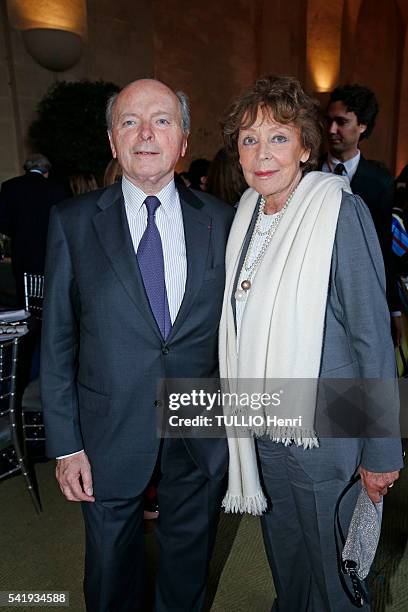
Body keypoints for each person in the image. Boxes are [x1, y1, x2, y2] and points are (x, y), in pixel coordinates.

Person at [41, 78, 234, 612]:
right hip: (106, 433)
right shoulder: (73, 222)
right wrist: (65, 444)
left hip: (197, 425)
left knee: (187, 567)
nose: (146, 133)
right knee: (108, 573)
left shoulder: (221, 222)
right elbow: (57, 341)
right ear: (112, 140)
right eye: (130, 121)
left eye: (162, 121)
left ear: (183, 141)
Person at [219, 75, 403, 611]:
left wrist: (382, 448)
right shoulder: (247, 217)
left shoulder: (337, 213)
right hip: (266, 422)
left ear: (305, 144)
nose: (262, 152)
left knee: (334, 572)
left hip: (330, 431)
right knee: (288, 562)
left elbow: (372, 337)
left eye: (278, 137)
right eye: (249, 139)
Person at [322, 84, 402, 344]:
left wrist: (393, 309)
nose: (332, 129)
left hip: (361, 299)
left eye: (342, 122)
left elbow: (383, 249)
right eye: (329, 120)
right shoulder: (307, 173)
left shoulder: (380, 182)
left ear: (363, 126)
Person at [0, 153, 67, 305]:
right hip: (51, 251)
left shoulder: (10, 186)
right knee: (52, 297)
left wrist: (18, 234)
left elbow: (2, 222)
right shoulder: (56, 188)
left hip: (22, 252)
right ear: (46, 170)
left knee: (24, 297)